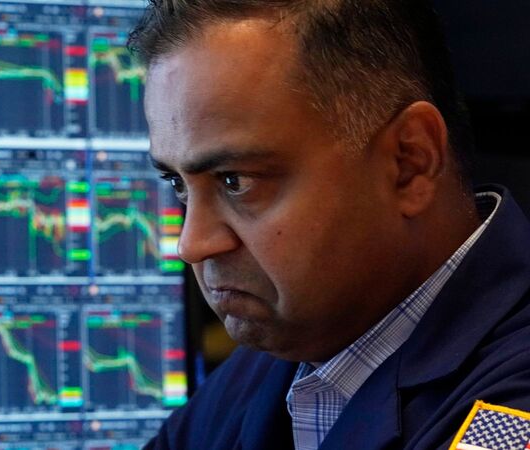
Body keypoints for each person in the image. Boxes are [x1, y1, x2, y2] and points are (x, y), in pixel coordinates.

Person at [129, 0, 530, 449]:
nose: (191, 244)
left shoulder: (510, 414)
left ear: (409, 163)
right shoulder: (297, 341)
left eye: (235, 181)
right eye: (178, 184)